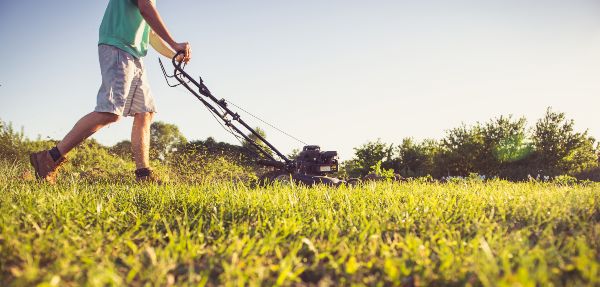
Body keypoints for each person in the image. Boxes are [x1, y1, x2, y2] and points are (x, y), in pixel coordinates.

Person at [29, 0, 191, 184]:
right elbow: (145, 8)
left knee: (145, 113)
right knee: (110, 112)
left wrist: (173, 54)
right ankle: (49, 158)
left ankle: (144, 175)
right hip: (118, 47)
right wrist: (174, 43)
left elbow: (150, 32)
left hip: (135, 55)